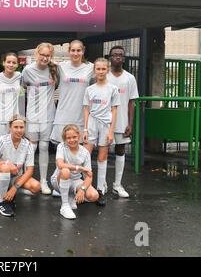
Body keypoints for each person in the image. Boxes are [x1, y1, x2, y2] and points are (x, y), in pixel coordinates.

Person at [83, 58, 120, 206]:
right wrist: (85, 129)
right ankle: (85, 187)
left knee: (102, 158)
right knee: (85, 156)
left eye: (103, 69)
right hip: (92, 123)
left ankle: (100, 190)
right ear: (94, 70)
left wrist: (111, 131)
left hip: (106, 125)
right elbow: (86, 110)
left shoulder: (113, 89)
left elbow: (114, 110)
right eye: (98, 69)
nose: (100, 71)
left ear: (107, 70)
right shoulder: (89, 89)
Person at [21, 42, 57, 195]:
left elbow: (56, 86)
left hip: (48, 115)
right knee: (31, 148)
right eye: (42, 55)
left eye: (48, 55)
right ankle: (25, 180)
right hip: (32, 116)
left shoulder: (54, 69)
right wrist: (20, 116)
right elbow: (22, 90)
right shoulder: (27, 70)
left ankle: (43, 181)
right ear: (36, 54)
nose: (45, 58)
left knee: (44, 148)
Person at [0, 115, 40, 217]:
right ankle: (2, 202)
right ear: (10, 127)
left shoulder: (28, 145)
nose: (19, 130)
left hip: (15, 178)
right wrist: (7, 163)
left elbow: (29, 170)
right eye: (16, 127)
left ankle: (10, 193)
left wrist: (15, 188)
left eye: (21, 127)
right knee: (6, 167)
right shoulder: (2, 140)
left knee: (36, 187)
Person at [107, 46, 139, 198]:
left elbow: (131, 102)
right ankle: (102, 184)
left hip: (121, 121)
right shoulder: (103, 75)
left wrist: (130, 123)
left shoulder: (130, 78)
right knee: (103, 151)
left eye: (120, 55)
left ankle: (117, 185)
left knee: (120, 151)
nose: (118, 57)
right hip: (104, 121)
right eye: (115, 55)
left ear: (124, 59)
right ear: (110, 57)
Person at [50, 124, 99, 219]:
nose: (72, 140)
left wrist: (82, 189)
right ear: (64, 139)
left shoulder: (85, 152)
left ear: (79, 136)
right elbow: (60, 164)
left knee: (94, 196)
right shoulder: (61, 146)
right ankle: (64, 206)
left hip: (75, 181)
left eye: (74, 137)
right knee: (65, 171)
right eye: (68, 138)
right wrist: (79, 168)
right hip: (58, 179)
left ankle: (71, 196)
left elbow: (89, 175)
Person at [51, 40, 94, 145]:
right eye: (73, 50)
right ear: (69, 51)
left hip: (81, 115)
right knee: (62, 149)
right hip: (63, 114)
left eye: (78, 50)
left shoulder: (91, 68)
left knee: (78, 150)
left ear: (83, 51)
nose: (75, 53)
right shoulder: (60, 66)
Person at [0, 52, 24, 142]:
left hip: (14, 120)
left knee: (14, 145)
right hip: (0, 119)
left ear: (17, 64)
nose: (11, 65)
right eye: (8, 62)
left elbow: (23, 93)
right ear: (3, 63)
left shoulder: (19, 76)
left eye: (14, 63)